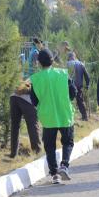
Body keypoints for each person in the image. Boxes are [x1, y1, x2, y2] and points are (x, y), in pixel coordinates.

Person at [30, 49, 77, 184]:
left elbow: (34, 100)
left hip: (48, 116)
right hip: (65, 114)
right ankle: (64, 165)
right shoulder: (63, 74)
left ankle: (54, 174)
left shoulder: (36, 79)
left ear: (39, 63)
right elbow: (73, 92)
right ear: (52, 60)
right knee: (68, 142)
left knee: (49, 146)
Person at [9, 80, 42, 158]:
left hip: (13, 97)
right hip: (27, 100)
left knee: (15, 126)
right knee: (33, 126)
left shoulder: (31, 79)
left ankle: (13, 154)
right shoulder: (43, 81)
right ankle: (37, 152)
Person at [67, 52, 90, 121]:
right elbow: (87, 76)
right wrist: (87, 84)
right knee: (80, 101)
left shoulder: (67, 64)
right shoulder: (81, 64)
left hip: (69, 86)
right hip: (79, 86)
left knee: (68, 101)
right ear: (75, 56)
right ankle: (84, 116)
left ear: (69, 57)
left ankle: (69, 117)